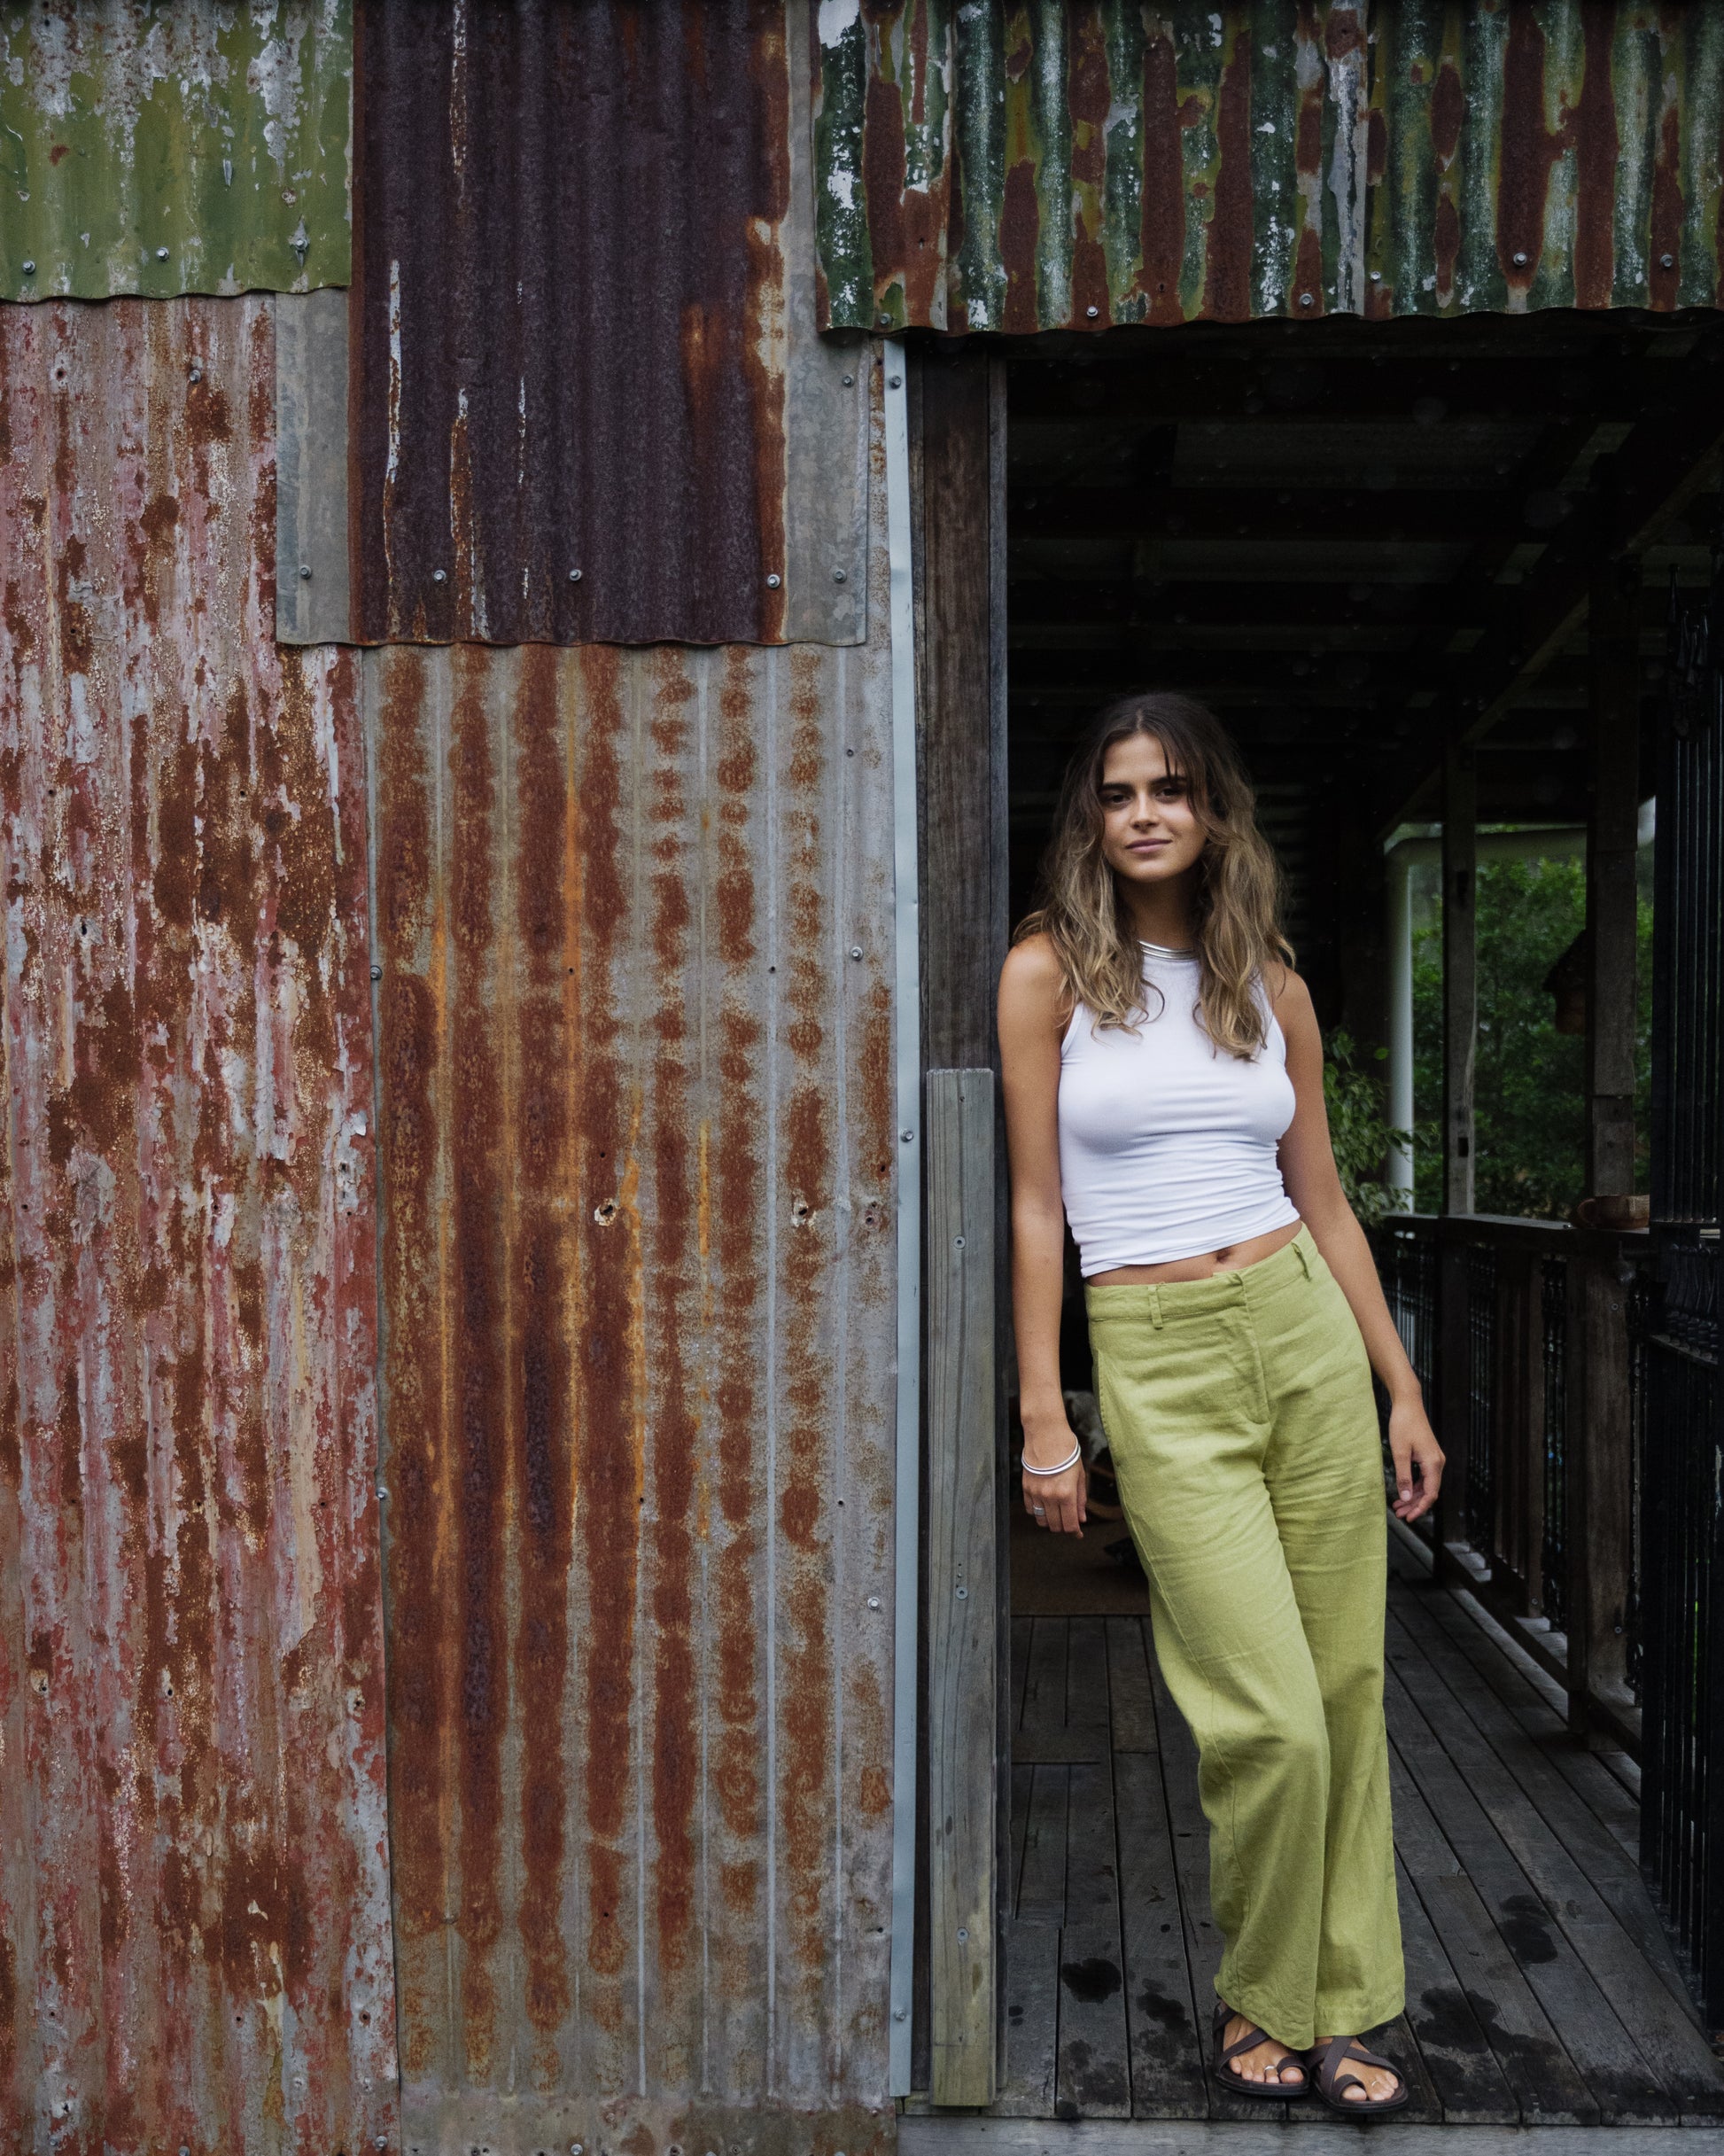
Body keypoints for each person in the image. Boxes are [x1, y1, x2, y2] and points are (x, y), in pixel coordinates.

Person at [997, 692, 1442, 2117]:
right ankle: (1268, 1990)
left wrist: (1401, 1383)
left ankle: (1345, 2005)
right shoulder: (1046, 976)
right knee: (1267, 1718)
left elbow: (1325, 1199)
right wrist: (1042, 1418)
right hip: (1154, 1345)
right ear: (1089, 816)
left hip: (1301, 1324)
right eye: (1118, 789)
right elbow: (1032, 1207)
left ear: (1212, 815)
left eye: (1171, 789)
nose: (1143, 812)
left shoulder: (1272, 984)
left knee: (1346, 1692)